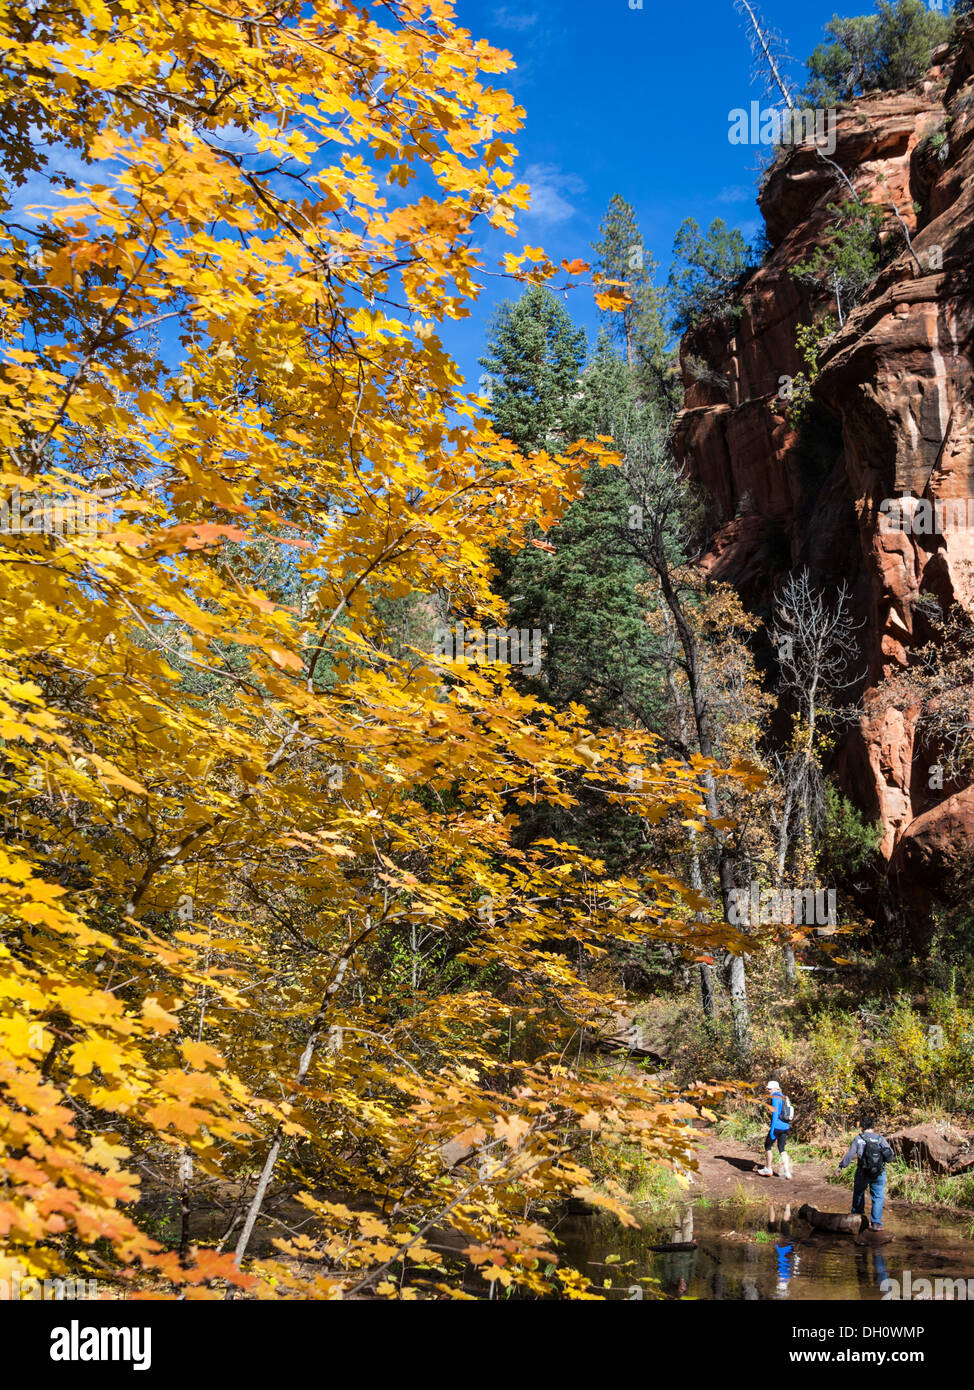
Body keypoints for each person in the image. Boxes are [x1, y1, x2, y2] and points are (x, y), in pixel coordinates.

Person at [838, 1118, 895, 1230]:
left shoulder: (859, 1138)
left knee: (859, 1193)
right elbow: (891, 1154)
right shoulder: (880, 1138)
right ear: (873, 1127)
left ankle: (857, 1218)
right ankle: (876, 1224)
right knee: (878, 1197)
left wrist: (841, 1166)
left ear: (862, 1127)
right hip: (878, 1172)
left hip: (862, 1172)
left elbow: (850, 1155)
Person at [757, 1079, 792, 1178]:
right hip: (785, 1126)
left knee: (767, 1146)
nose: (769, 1091)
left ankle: (768, 1169)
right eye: (768, 1089)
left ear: (775, 1089)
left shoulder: (775, 1098)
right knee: (782, 1149)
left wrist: (772, 1130)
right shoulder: (784, 1097)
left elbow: (775, 1115)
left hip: (777, 1126)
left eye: (770, 1089)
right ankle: (787, 1172)